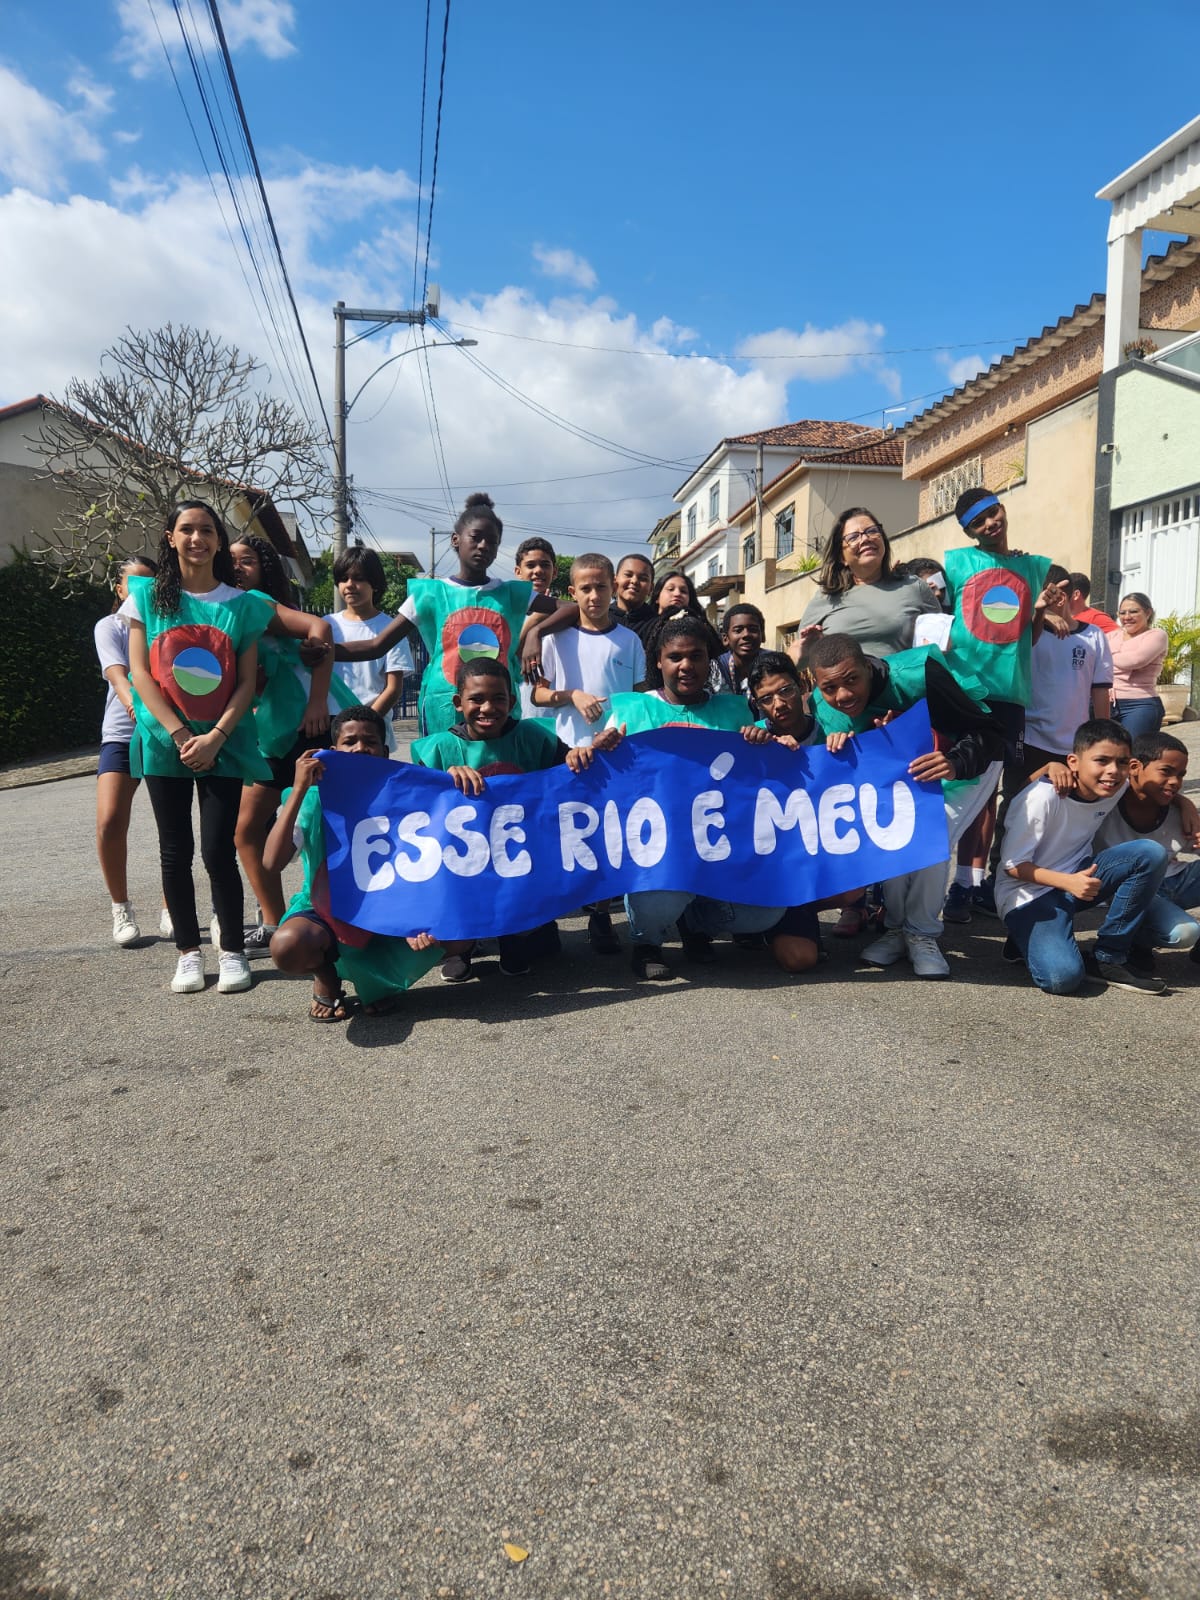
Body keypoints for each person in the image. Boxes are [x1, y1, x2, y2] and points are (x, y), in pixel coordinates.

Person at [121, 501, 275, 995]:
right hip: (167, 744)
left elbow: (247, 683)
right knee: (174, 850)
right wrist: (181, 735)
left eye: (206, 530)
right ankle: (188, 952)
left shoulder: (243, 605)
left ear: (217, 539)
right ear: (170, 537)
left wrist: (216, 737)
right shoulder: (145, 596)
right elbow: (140, 674)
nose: (196, 538)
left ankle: (231, 950)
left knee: (216, 851)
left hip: (223, 746)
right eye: (186, 529)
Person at [808, 633, 1005, 979]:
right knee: (893, 838)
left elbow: (986, 732)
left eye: (852, 679)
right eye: (830, 688)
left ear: (867, 666)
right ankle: (897, 929)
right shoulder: (821, 704)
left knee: (930, 838)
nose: (843, 695)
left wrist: (955, 762)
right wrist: (838, 746)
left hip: (962, 766)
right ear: (817, 684)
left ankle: (923, 933)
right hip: (900, 778)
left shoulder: (920, 673)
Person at [605, 615, 783, 980]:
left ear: (709, 660)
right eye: (675, 657)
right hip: (660, 850)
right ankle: (647, 942)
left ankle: (696, 925)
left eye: (697, 656)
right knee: (657, 896)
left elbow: (769, 767)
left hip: (721, 846)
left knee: (767, 912)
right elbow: (602, 775)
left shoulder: (735, 710)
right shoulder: (631, 710)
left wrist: (767, 742)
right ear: (658, 661)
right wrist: (593, 752)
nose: (686, 666)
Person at [412, 658, 609, 981]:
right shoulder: (439, 750)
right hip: (463, 860)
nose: (487, 707)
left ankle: (515, 935)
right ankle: (464, 945)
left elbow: (571, 775)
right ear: (458, 704)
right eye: (476, 699)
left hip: (522, 855)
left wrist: (581, 753)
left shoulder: (533, 737)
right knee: (458, 886)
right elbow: (414, 807)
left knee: (545, 947)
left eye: (498, 699)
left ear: (513, 703)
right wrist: (443, 780)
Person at [264, 706, 449, 1020]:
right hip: (323, 906)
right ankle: (326, 975)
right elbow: (271, 862)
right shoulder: (312, 799)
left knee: (457, 935)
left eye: (370, 741)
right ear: (332, 751)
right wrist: (298, 789)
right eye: (350, 742)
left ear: (386, 752)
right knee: (287, 946)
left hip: (391, 904)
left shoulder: (407, 797)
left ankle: (377, 983)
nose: (360, 748)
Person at [940, 487, 1061, 923]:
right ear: (968, 530)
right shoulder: (955, 564)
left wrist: (1041, 612)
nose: (991, 524)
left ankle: (968, 885)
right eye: (979, 522)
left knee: (989, 792)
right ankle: (942, 878)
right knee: (959, 785)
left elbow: (1025, 641)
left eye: (993, 513)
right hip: (963, 690)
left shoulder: (1032, 568)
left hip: (1009, 695)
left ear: (1002, 509)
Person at [334, 493, 541, 737]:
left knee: (500, 770)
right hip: (442, 708)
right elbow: (377, 645)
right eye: (475, 537)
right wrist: (326, 651)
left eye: (492, 541)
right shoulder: (429, 595)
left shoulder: (511, 594)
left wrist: (535, 631)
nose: (483, 545)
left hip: (497, 710)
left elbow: (571, 609)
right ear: (456, 540)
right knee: (445, 771)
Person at [228, 534, 344, 953]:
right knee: (246, 829)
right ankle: (274, 921)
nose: (238, 568)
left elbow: (322, 627)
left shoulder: (257, 602)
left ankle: (342, 914)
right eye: (232, 562)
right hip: (271, 733)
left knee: (334, 824)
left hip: (309, 722)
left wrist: (316, 702)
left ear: (264, 570)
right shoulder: (222, 611)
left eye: (247, 561)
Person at [995, 718, 1168, 995]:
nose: (1113, 771)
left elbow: (1152, 787)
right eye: (1101, 760)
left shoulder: (1115, 786)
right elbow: (1012, 866)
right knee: (1061, 979)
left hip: (1080, 876)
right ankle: (1023, 936)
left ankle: (1109, 956)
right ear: (1073, 762)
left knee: (1150, 853)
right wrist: (1068, 882)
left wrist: (1186, 805)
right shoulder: (1045, 797)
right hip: (1027, 893)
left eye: (1122, 762)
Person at [530, 552, 647, 956]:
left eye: (601, 587)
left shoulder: (629, 641)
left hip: (617, 750)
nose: (594, 596)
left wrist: (619, 730)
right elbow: (538, 693)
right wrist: (572, 695)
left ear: (613, 586)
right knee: (569, 832)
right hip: (568, 748)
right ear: (572, 592)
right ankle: (557, 914)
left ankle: (601, 914)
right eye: (585, 588)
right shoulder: (557, 639)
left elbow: (638, 697)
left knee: (609, 833)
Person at [94, 554, 163, 946]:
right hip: (122, 734)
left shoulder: (166, 624)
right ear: (119, 588)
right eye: (133, 583)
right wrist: (134, 703)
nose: (141, 591)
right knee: (109, 822)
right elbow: (118, 673)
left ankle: (173, 908)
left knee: (171, 827)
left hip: (163, 734)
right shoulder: (110, 626)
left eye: (149, 584)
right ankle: (120, 907)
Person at [1094, 730, 1200, 968]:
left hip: (1176, 881)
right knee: (1185, 933)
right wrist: (1051, 766)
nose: (1175, 782)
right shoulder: (1106, 801)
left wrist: (1185, 802)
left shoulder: (1177, 810)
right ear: (1134, 766)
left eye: (1181, 775)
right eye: (1166, 771)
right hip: (1134, 889)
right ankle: (1135, 941)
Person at [795, 508, 942, 659]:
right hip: (843, 683)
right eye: (853, 537)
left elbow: (944, 641)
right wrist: (808, 648)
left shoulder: (913, 586)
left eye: (872, 531)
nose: (865, 539)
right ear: (841, 557)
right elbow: (799, 657)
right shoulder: (825, 597)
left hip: (901, 681)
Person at [1021, 565, 1114, 776]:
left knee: (1070, 804)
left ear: (1060, 598)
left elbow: (1100, 691)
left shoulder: (1094, 636)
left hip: (1075, 744)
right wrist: (1041, 615)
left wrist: (1104, 737)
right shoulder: (1024, 633)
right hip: (1030, 740)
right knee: (1020, 802)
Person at [325, 545, 414, 752]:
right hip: (331, 731)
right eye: (343, 578)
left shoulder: (391, 629)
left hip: (372, 734)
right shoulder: (326, 625)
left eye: (358, 578)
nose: (350, 585)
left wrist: (366, 724)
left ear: (374, 583)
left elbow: (393, 688)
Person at [1109, 592, 1168, 740]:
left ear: (1148, 612)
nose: (1127, 617)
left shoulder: (1156, 635)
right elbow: (1094, 662)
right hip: (1106, 704)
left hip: (1140, 704)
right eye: (1122, 613)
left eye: (1134, 611)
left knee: (1134, 754)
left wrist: (1106, 659)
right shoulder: (1111, 636)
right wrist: (1122, 664)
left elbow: (1136, 660)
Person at [715, 603, 766, 697]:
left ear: (763, 636)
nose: (746, 635)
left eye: (753, 629)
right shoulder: (717, 667)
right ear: (726, 639)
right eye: (738, 630)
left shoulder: (775, 665)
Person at [611, 553, 658, 640]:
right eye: (628, 575)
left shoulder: (658, 625)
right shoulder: (600, 617)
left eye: (643, 578)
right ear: (615, 580)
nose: (634, 581)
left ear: (651, 588)